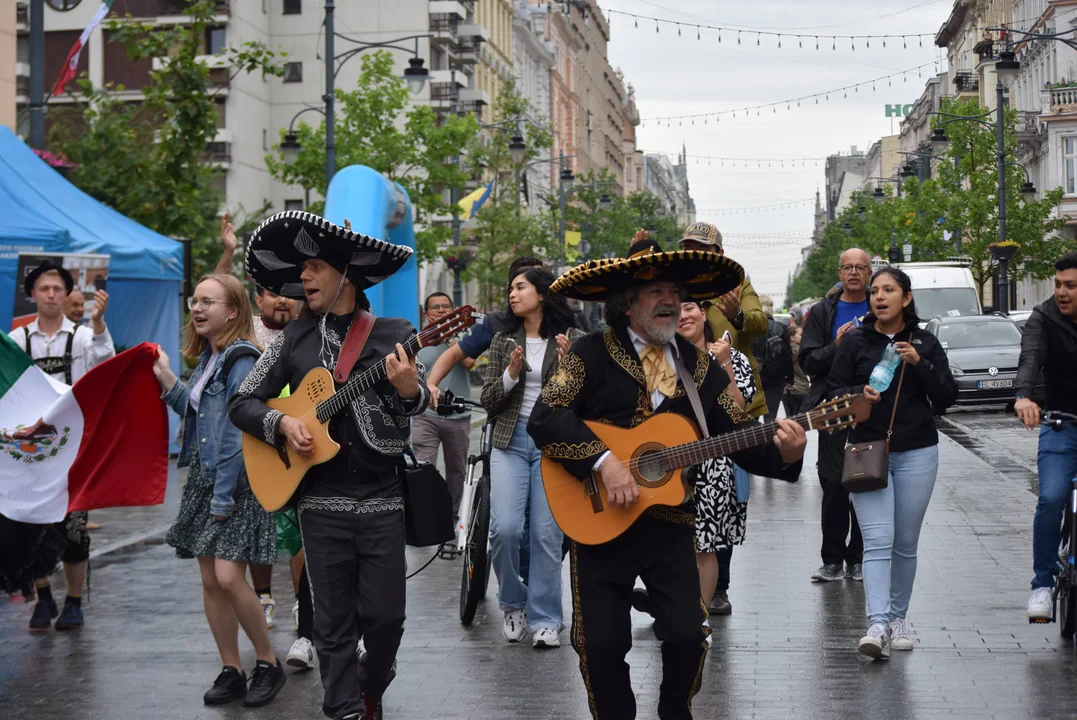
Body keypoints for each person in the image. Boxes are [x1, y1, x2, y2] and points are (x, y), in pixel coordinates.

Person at [527, 237, 806, 719]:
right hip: (598, 526)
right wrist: (603, 461)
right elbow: (545, 418)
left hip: (671, 524)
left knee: (686, 635)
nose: (670, 301)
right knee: (599, 643)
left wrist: (786, 453)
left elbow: (736, 435)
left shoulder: (698, 366)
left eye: (675, 291)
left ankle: (675, 711)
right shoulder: (589, 354)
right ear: (627, 302)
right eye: (656, 290)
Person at [230, 211, 428, 720]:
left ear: (345, 272)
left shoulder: (396, 333)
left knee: (386, 621)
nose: (304, 279)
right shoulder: (295, 338)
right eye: (302, 270)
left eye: (314, 267)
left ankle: (370, 680)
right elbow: (244, 401)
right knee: (333, 624)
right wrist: (281, 427)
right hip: (319, 503)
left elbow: (420, 399)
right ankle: (342, 709)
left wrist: (410, 391)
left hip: (384, 500)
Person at [153, 273, 286, 706]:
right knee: (210, 581)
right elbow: (196, 414)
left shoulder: (242, 358)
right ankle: (232, 669)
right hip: (206, 479)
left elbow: (234, 433)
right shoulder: (209, 359)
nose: (197, 308)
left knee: (229, 576)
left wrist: (223, 498)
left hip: (237, 484)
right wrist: (167, 378)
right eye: (195, 300)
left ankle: (268, 662)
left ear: (233, 310)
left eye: (208, 301)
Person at [824, 266, 957, 659]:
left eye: (888, 290)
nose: (879, 297)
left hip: (917, 450)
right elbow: (830, 395)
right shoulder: (855, 342)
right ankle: (877, 623)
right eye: (874, 291)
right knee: (878, 540)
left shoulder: (925, 342)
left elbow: (947, 398)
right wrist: (858, 393)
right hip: (866, 450)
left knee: (905, 542)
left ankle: (899, 618)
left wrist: (920, 363)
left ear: (906, 297)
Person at [214, 209, 308, 653]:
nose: (282, 302)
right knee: (261, 529)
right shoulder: (245, 331)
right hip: (252, 445)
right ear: (258, 298)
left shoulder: (309, 331)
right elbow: (213, 300)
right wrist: (228, 254)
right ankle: (265, 596)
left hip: (300, 444)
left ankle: (303, 607)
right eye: (273, 294)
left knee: (298, 530)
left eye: (289, 295)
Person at [480, 268, 583, 649]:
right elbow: (489, 401)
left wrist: (575, 368)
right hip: (510, 441)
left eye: (520, 287)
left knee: (546, 535)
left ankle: (546, 619)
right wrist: (509, 374)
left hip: (552, 446)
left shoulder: (572, 340)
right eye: (510, 288)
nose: (512, 293)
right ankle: (512, 603)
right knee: (505, 529)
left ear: (542, 293)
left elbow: (587, 402)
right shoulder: (503, 341)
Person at [9, 260, 114, 630]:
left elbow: (106, 365)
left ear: (66, 294)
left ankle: (72, 601)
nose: (51, 294)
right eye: (44, 289)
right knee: (26, 525)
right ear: (33, 295)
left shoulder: (82, 337)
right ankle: (44, 597)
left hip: (71, 451)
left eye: (57, 288)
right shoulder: (17, 341)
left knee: (72, 530)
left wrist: (99, 324)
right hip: (26, 453)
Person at [677, 299, 756, 618]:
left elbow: (738, 410)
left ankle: (698, 618)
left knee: (704, 544)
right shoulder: (659, 358)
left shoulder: (732, 357)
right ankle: (672, 611)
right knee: (669, 545)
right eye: (677, 310)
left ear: (703, 314)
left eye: (690, 308)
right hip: (669, 462)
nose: (684, 316)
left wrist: (723, 365)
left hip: (715, 464)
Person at [798, 248, 871, 583]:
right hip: (831, 408)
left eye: (860, 267)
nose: (854, 272)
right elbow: (808, 361)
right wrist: (836, 346)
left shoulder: (880, 304)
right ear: (840, 273)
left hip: (873, 405)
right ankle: (832, 560)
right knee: (833, 482)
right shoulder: (821, 312)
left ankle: (858, 559)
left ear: (869, 272)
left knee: (866, 481)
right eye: (848, 267)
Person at [1014, 251, 1077, 621]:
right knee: (1051, 497)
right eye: (1058, 285)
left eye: (1071, 286)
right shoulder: (1044, 316)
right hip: (1060, 424)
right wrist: (1023, 396)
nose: (1062, 292)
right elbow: (1030, 356)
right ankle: (1042, 584)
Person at [677, 222, 770, 419]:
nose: (696, 255)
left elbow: (761, 324)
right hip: (688, 407)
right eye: (689, 249)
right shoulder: (673, 291)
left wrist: (736, 313)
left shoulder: (737, 287)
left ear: (719, 253)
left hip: (742, 401)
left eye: (703, 249)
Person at [425, 256, 546, 405]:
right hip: (509, 421)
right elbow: (453, 355)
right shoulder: (494, 322)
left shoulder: (568, 323)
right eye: (516, 287)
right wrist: (431, 384)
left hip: (557, 421)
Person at [413, 292, 474, 516]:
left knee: (457, 470)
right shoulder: (418, 340)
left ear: (453, 310)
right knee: (423, 466)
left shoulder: (464, 337)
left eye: (446, 307)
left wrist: (449, 336)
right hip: (426, 415)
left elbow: (469, 362)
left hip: (458, 415)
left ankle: (452, 514)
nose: (441, 310)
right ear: (426, 313)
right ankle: (426, 516)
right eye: (435, 307)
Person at [753, 294, 794, 422]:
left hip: (754, 376)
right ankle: (770, 441)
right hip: (776, 377)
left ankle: (754, 442)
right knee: (770, 417)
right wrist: (790, 378)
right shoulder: (780, 328)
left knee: (752, 418)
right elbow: (787, 354)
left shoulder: (750, 328)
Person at [783, 325, 810, 417]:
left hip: (786, 390)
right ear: (792, 338)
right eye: (801, 335)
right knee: (800, 420)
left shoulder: (783, 350)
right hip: (800, 389)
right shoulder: (800, 350)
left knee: (790, 419)